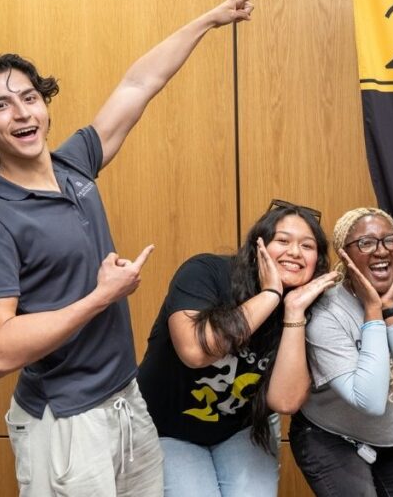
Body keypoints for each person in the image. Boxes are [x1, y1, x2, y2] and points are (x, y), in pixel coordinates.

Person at [0, 0, 267, 496]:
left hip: (126, 400)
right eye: (1, 106)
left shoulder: (75, 164)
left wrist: (207, 21)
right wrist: (102, 297)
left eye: (30, 97)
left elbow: (140, 83)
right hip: (68, 423)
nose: (22, 114)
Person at [137, 201, 338, 496]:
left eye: (307, 246)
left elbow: (285, 401)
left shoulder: (309, 306)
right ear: (258, 248)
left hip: (239, 430)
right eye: (282, 240)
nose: (295, 252)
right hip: (166, 428)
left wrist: (294, 312)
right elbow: (195, 350)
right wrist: (270, 295)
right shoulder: (206, 272)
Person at [289, 207, 393, 496]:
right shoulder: (326, 308)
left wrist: (391, 311)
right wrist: (373, 312)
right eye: (366, 243)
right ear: (344, 254)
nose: (381, 251)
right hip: (330, 436)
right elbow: (369, 400)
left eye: (390, 240)